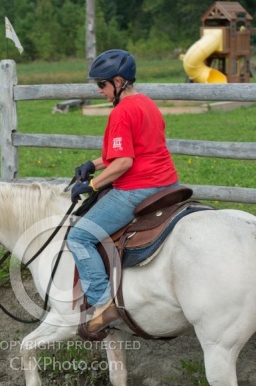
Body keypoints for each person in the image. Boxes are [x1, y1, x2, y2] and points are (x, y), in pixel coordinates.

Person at [66, 49, 179, 334]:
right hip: (168, 184)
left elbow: (124, 162)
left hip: (137, 189)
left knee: (78, 236)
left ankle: (104, 304)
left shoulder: (121, 111)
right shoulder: (146, 104)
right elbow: (133, 149)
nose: (99, 90)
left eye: (101, 84)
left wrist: (91, 185)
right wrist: (92, 164)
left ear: (118, 81)